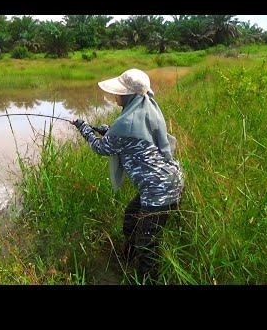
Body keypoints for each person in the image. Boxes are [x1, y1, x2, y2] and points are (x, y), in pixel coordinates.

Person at [71, 68, 184, 282]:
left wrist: (83, 128)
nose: (115, 96)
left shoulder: (126, 122)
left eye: (119, 92)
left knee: (147, 245)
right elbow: (132, 135)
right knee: (131, 218)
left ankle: (146, 279)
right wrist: (108, 131)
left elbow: (101, 148)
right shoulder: (146, 108)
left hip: (158, 191)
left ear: (129, 95)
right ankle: (126, 260)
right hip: (169, 180)